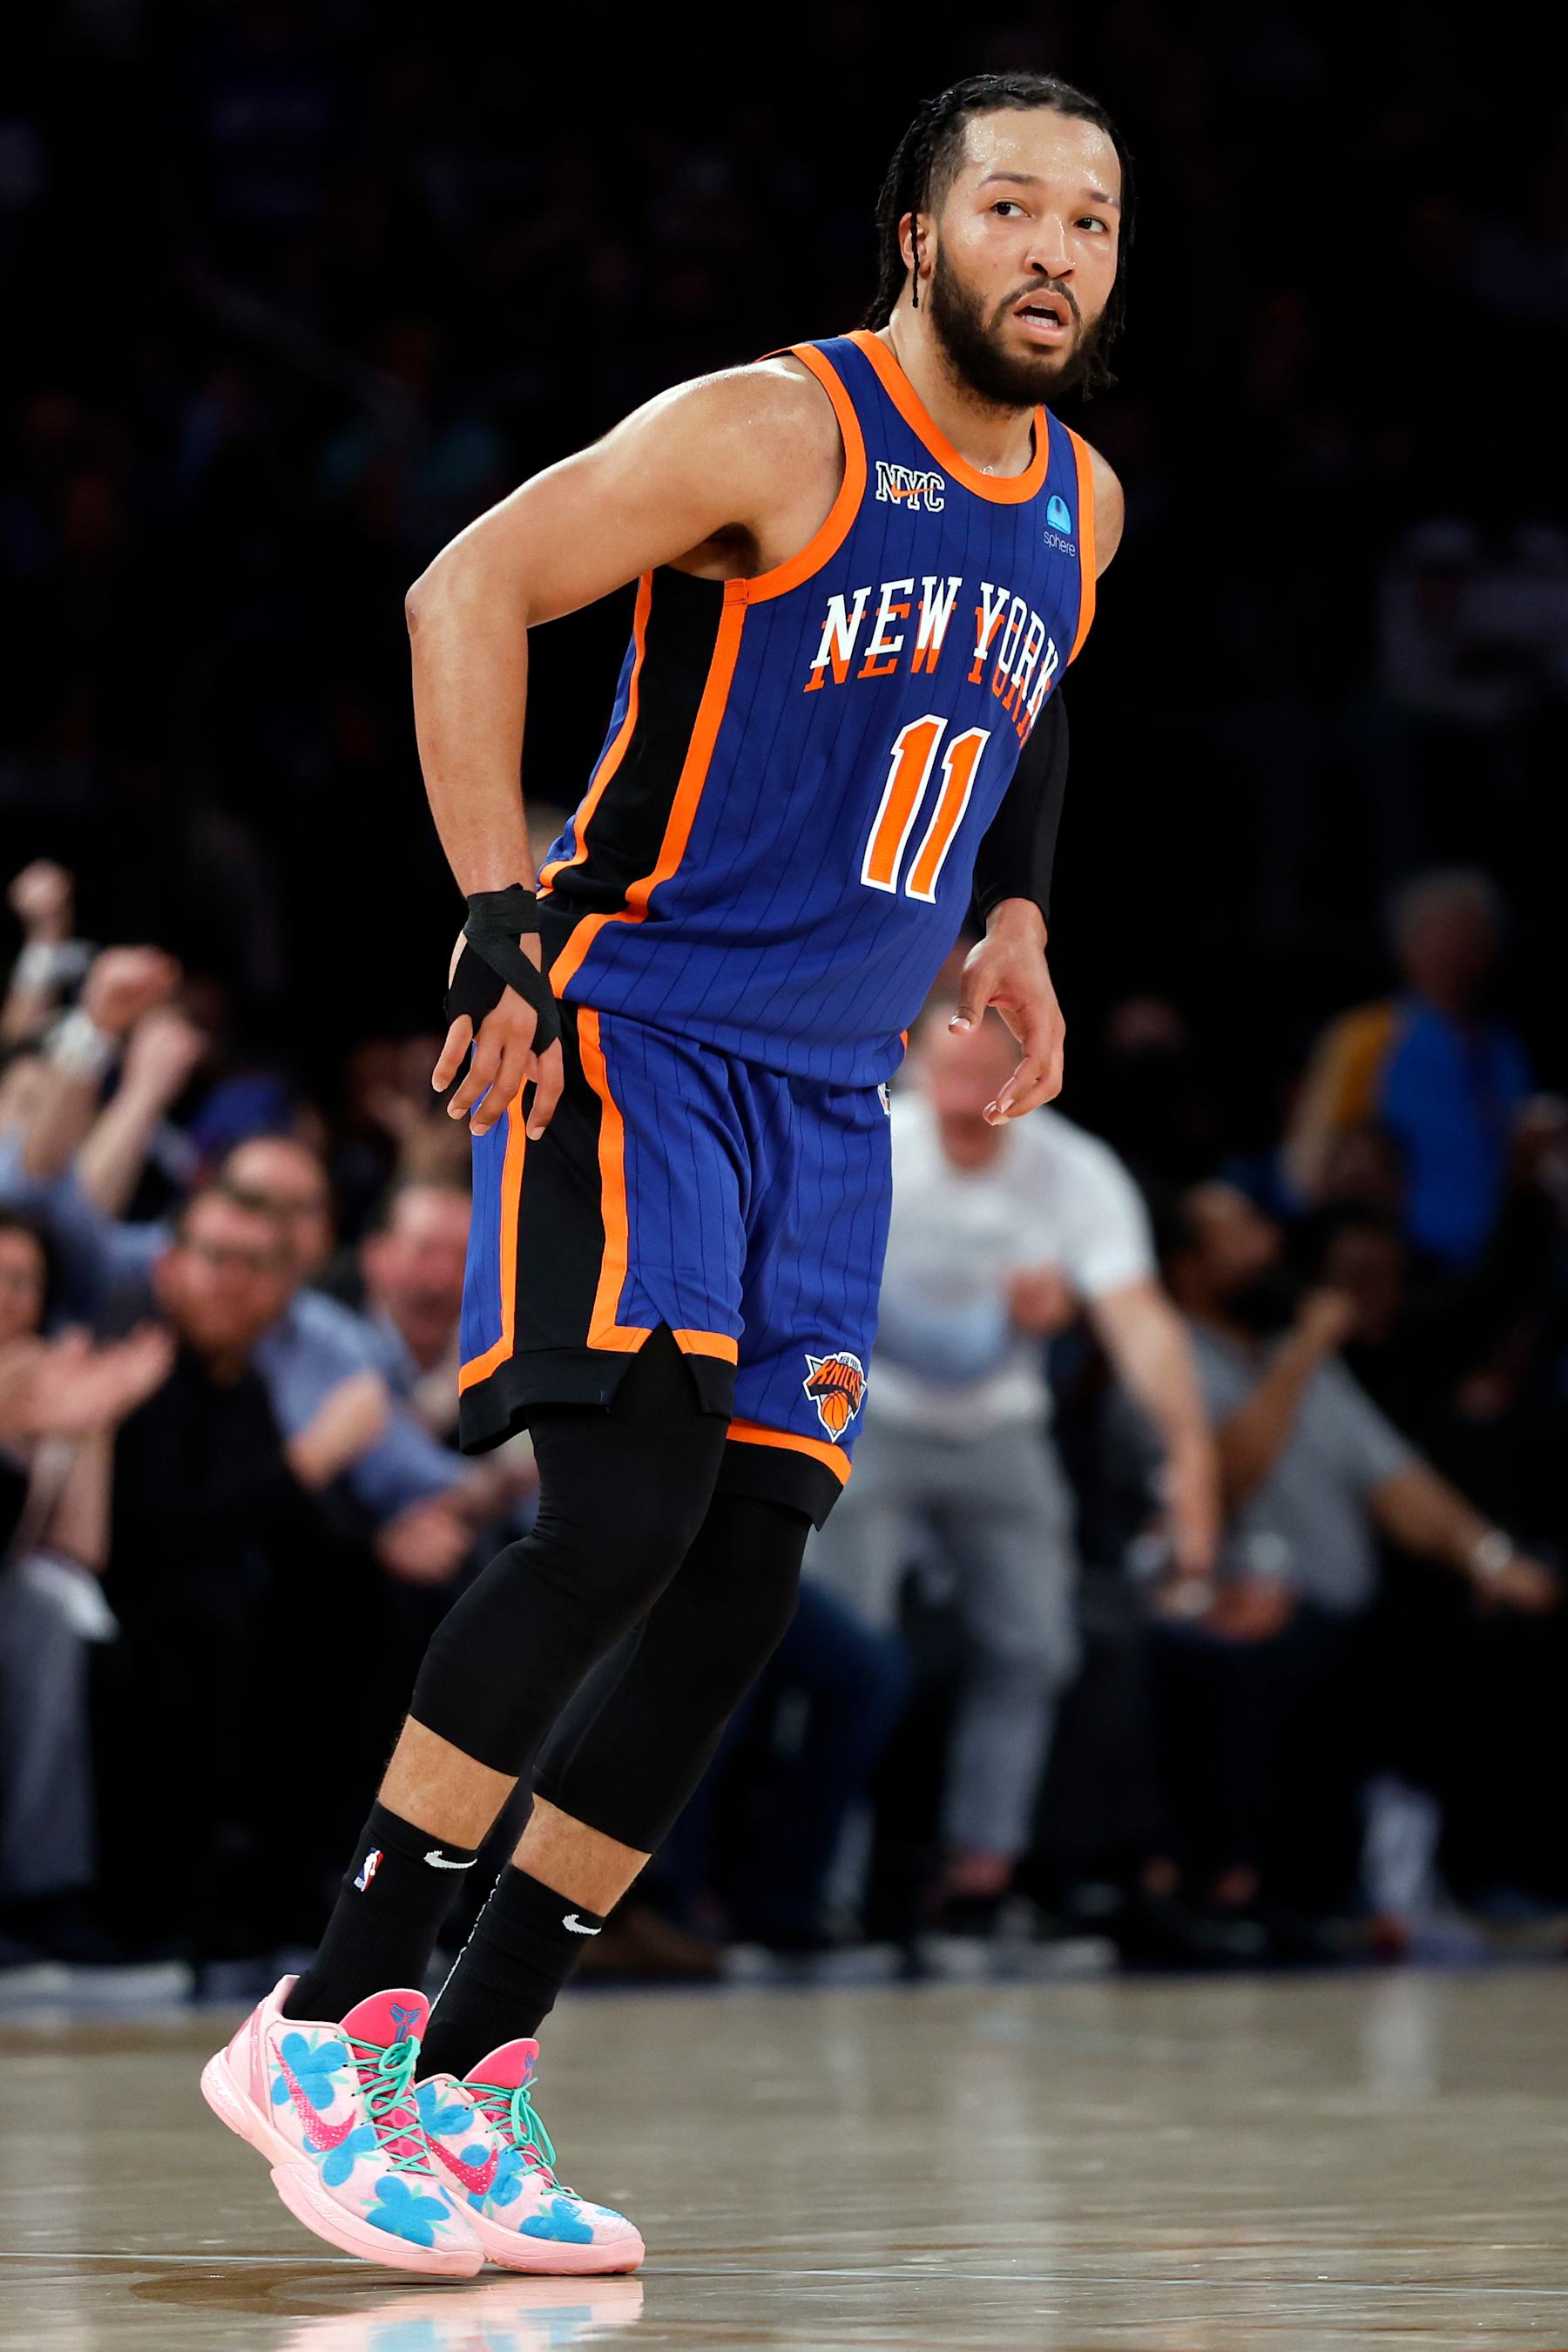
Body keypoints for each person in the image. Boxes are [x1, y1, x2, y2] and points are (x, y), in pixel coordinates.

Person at [205, 69, 1132, 2278]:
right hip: (639, 1032)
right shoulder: (774, 432)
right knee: (620, 1515)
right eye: (1011, 207)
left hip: (833, 1092)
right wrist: (494, 911)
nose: (1053, 252)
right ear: (916, 234)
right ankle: (326, 2023)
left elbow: (1029, 715)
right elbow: (464, 589)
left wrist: (1016, 916)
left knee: (741, 1576)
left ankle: (470, 2067)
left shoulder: (1083, 502)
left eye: (1093, 222)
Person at [808, 1003, 1217, 1934]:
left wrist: (1189, 1458)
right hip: (864, 1415)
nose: (962, 1086)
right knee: (851, 1656)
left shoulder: (1074, 1169)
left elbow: (1139, 1318)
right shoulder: (874, 1138)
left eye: (984, 1064)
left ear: (1023, 1068)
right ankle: (825, 1879)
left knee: (1036, 1645)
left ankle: (980, 1871)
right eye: (944, 1061)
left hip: (1000, 1425)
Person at [1145, 1181, 1557, 1929]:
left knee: (1504, 1629)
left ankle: (1484, 1882)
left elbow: (1395, 1479)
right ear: (1187, 1267)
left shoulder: (1292, 1354)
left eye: (1263, 1228)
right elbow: (1229, 1477)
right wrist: (1304, 1351)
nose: (1268, 1246)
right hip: (1232, 1610)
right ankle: (1279, 1893)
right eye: (1240, 1234)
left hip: (1346, 1615)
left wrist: (1490, 1557)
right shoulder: (1165, 1354)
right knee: (1281, 1665)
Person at [1283, 870, 1532, 1266]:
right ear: (1407, 945)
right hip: (1401, 1265)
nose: (1458, 948)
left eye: (1472, 933)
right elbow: (1310, 1159)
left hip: (1497, 1264)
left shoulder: (1504, 1048)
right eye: (1443, 933)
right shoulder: (1367, 1037)